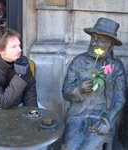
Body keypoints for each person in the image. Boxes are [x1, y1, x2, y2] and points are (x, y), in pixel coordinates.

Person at [62, 18, 126, 150]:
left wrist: (108, 119)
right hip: (77, 116)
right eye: (94, 38)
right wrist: (78, 90)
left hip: (102, 116)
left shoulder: (116, 66)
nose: (94, 43)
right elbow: (65, 92)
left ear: (110, 46)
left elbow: (120, 99)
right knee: (68, 147)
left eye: (101, 40)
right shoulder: (79, 61)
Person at [0, 28, 38, 113]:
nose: (19, 50)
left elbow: (30, 88)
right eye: (14, 47)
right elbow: (3, 102)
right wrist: (20, 76)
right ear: (0, 50)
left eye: (19, 45)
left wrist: (31, 111)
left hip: (20, 104)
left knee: (44, 122)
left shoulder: (23, 61)